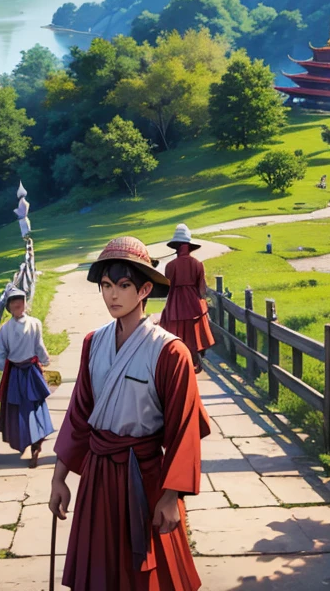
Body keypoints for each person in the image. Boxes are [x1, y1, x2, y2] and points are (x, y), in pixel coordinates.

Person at [49, 236, 210, 591]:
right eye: (106, 286)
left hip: (146, 477)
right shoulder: (94, 342)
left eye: (123, 286)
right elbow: (79, 414)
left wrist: (172, 497)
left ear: (144, 290)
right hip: (98, 474)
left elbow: (185, 430)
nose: (113, 296)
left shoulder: (169, 352)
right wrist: (59, 477)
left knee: (150, 576)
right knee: (100, 572)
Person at [0, 284, 53, 468]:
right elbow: (39, 347)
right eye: (15, 303)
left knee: (21, 409)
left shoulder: (6, 329)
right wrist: (45, 361)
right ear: (10, 306)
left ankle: (28, 441)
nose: (17, 306)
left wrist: (2, 367)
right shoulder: (33, 324)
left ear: (23, 304)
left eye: (19, 302)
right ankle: (36, 442)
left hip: (17, 374)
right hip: (30, 372)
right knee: (34, 405)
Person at [158, 224, 215, 373]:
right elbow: (202, 289)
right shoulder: (198, 264)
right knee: (194, 333)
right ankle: (196, 356)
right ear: (189, 247)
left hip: (175, 305)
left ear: (176, 247)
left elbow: (167, 288)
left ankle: (178, 360)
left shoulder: (170, 266)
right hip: (194, 305)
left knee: (174, 334)